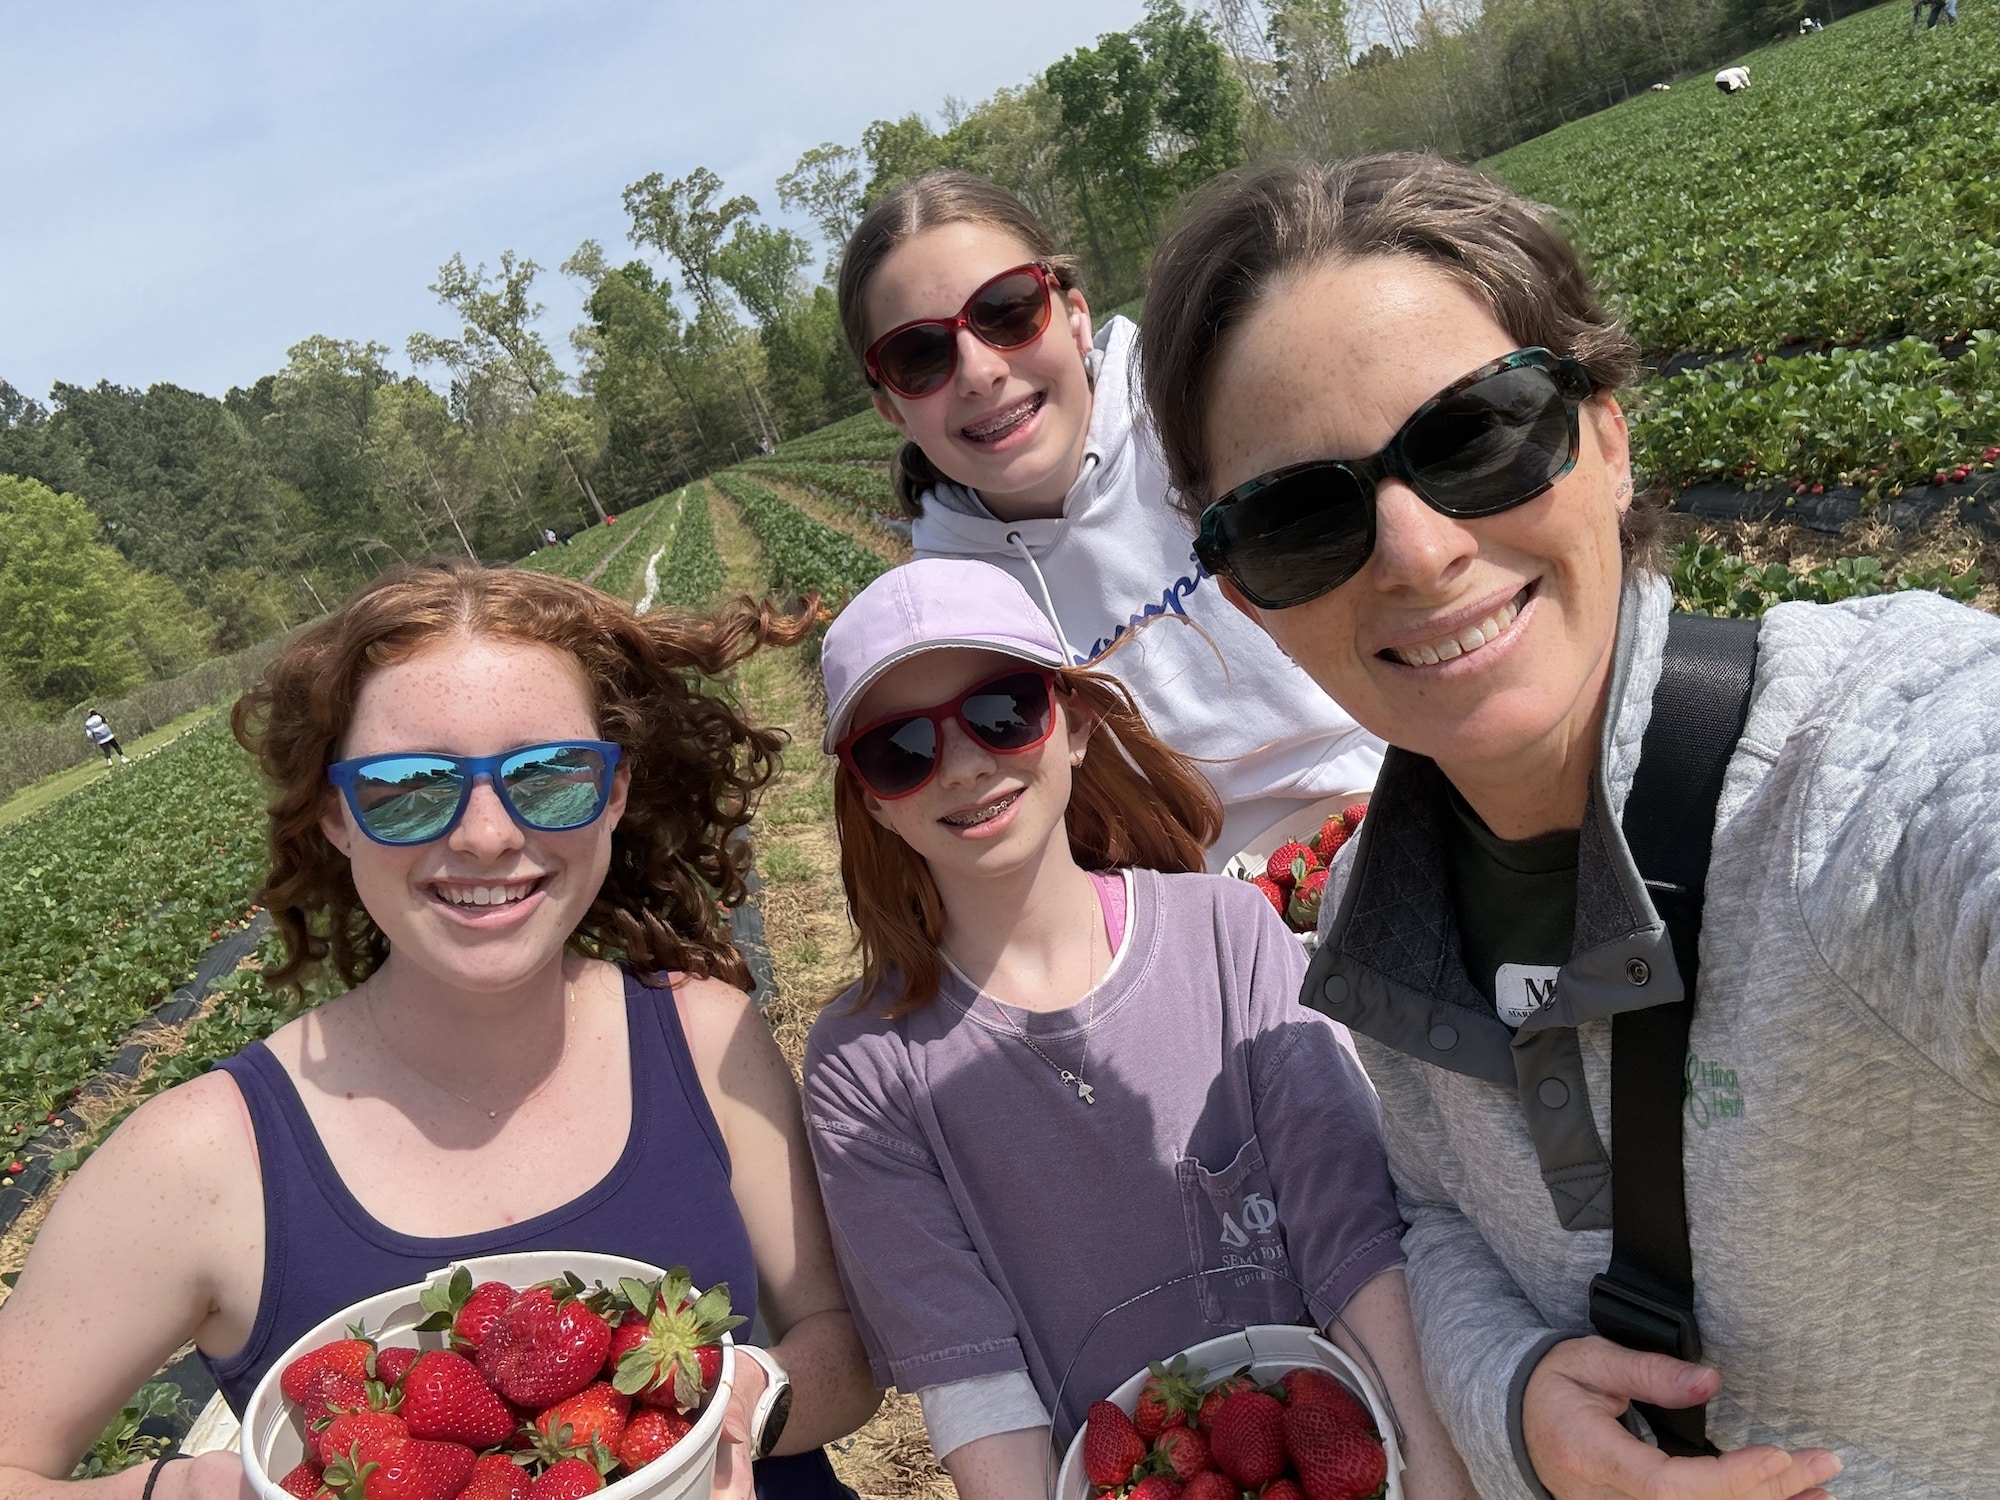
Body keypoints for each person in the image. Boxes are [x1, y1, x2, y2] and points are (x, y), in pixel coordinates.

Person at [1136, 151, 2000, 1499]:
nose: (1418, 552)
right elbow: (1436, 1213)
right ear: (1250, 600)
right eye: (1305, 518)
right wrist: (1516, 1398)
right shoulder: (1381, 909)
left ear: (1606, 432)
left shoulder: (1862, 775)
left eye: (1478, 434)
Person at [0, 563, 880, 1500]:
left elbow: (845, 1349)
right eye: (411, 787)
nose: (488, 834)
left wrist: (746, 1398)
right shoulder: (197, 1160)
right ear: (337, 816)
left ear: (614, 794)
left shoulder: (703, 1036)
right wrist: (197, 1490)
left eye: (548, 776)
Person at [800, 557, 1473, 1500]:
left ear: (1072, 724)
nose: (962, 764)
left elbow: (1350, 1231)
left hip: (1325, 1461)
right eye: (900, 749)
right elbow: (973, 1376)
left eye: (1002, 713)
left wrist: (1434, 1470)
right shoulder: (866, 1066)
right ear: (872, 798)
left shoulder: (1228, 936)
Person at [836, 171, 1383, 871]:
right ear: (890, 409)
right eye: (920, 356)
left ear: (1074, 314)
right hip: (1215, 913)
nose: (977, 372)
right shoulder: (953, 605)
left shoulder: (1203, 412)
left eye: (1006, 311)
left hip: (1406, 784)